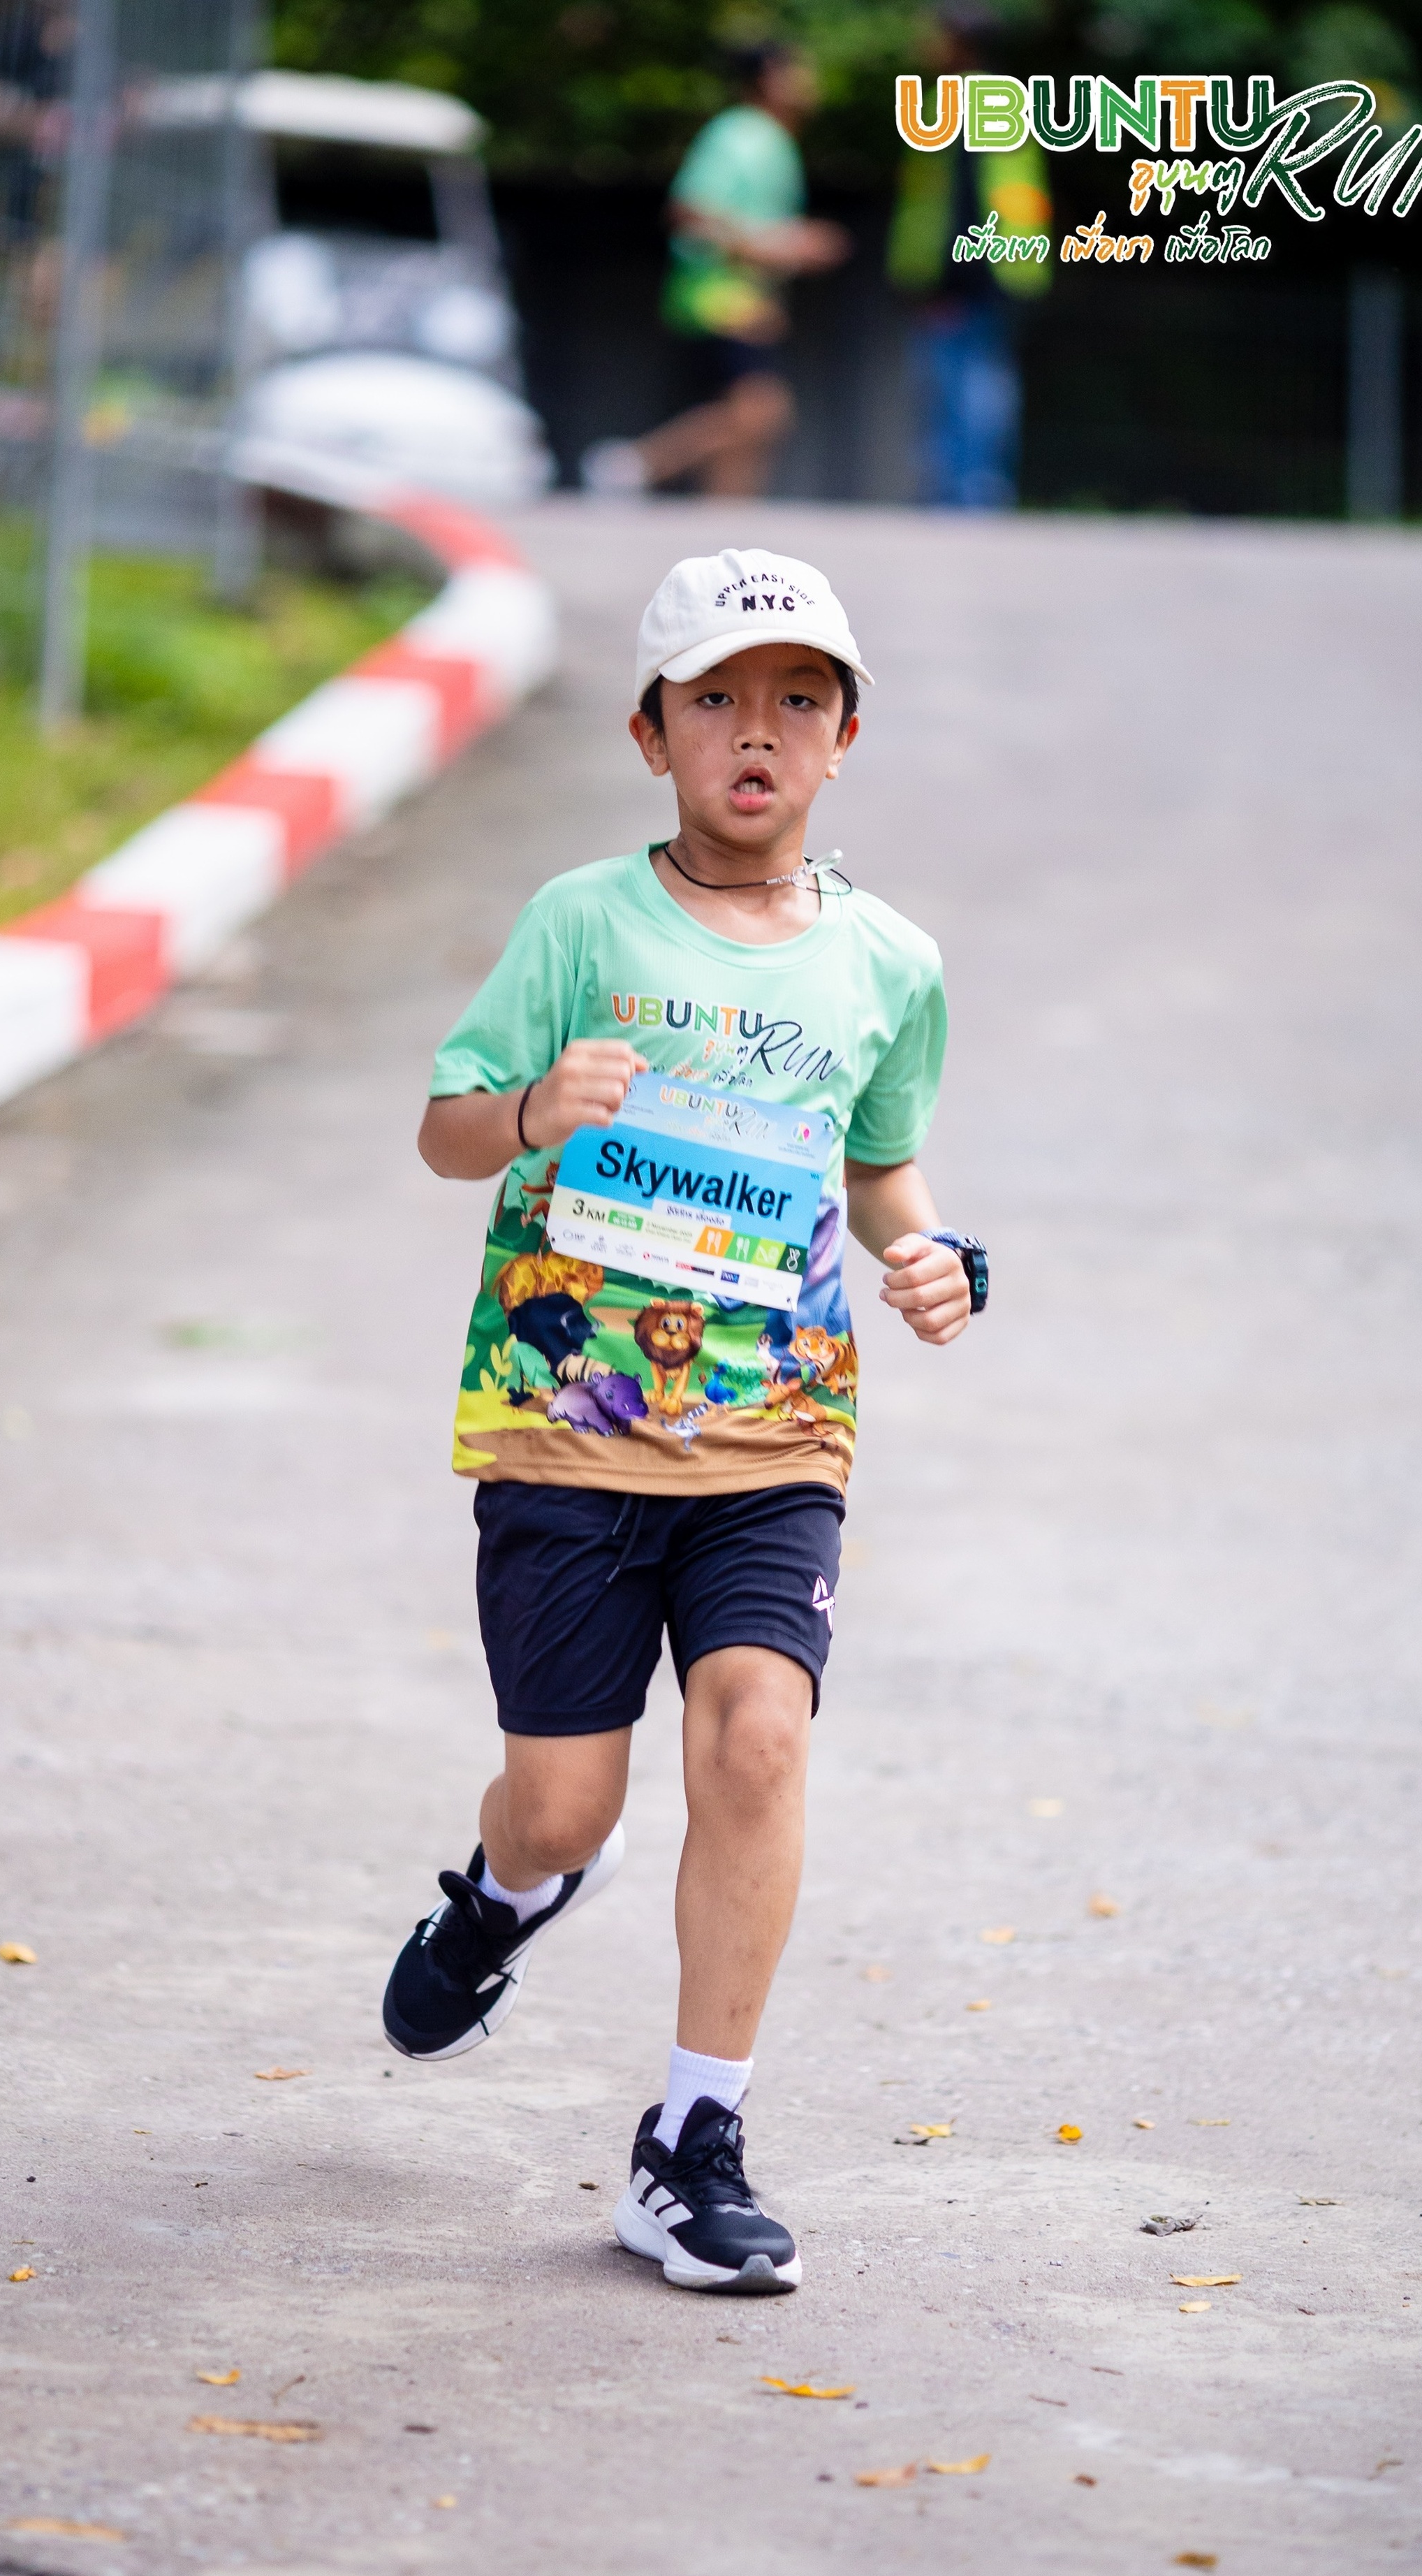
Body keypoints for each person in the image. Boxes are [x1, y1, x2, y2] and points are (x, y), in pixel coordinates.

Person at [381, 546, 982, 2296]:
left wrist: (927, 1252)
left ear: (845, 737)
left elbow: (880, 1164)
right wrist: (528, 1109)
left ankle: (689, 2142)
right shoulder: (579, 925)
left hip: (775, 1435)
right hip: (567, 1425)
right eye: (715, 697)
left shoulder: (888, 963)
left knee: (757, 1739)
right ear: (650, 735)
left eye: (797, 699)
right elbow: (442, 1127)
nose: (756, 730)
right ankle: (504, 1892)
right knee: (564, 1807)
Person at [580, 45, 849, 500]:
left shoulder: (770, 138)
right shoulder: (742, 135)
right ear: (769, 77)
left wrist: (788, 246)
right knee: (761, 413)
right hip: (718, 293)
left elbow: (749, 221)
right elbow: (690, 212)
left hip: (745, 294)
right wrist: (781, 247)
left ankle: (723, 519)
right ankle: (635, 465)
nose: (811, 81)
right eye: (800, 70)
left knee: (753, 421)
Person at [888, 4, 1051, 510]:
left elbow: (966, 197)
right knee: (979, 384)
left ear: (959, 41)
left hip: (970, 274)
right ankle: (971, 495)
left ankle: (964, 500)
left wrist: (945, 278)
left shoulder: (963, 103)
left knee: (963, 388)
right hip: (998, 268)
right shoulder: (1002, 99)